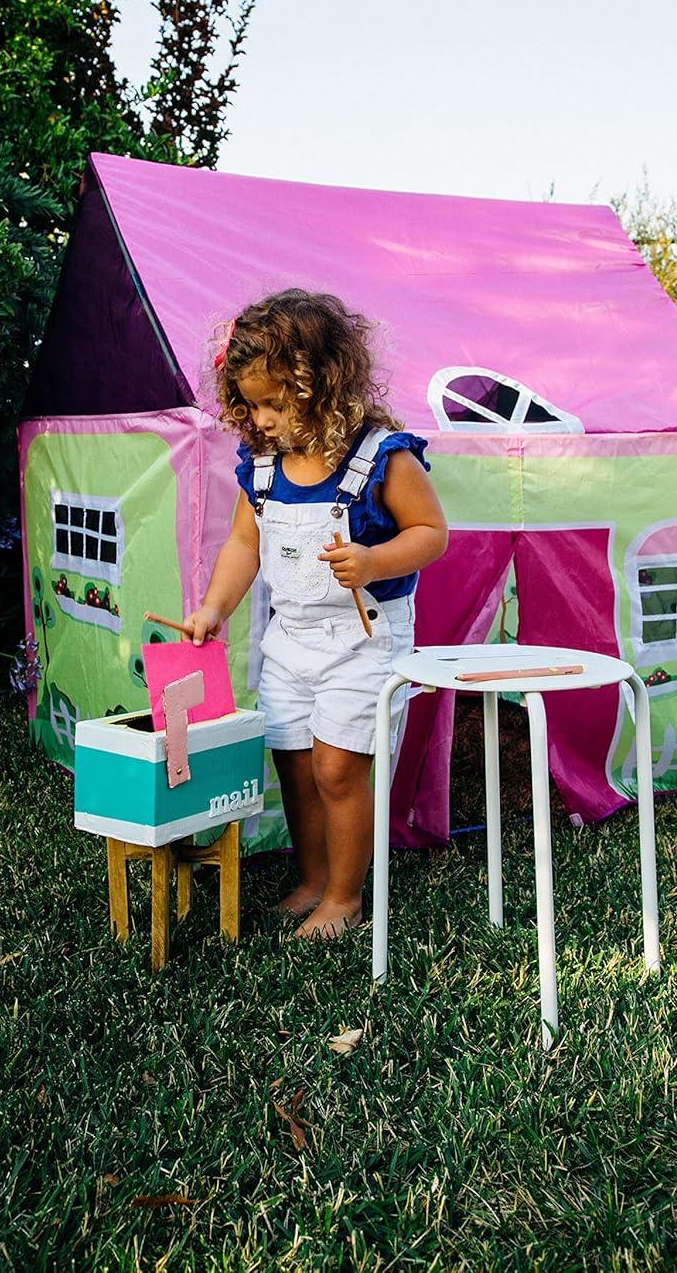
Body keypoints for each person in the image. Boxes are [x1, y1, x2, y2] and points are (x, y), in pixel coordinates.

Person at [182, 289, 448, 939]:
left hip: (363, 643)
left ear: (321, 385)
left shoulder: (383, 457)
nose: (262, 418)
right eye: (251, 404)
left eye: (276, 402)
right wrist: (215, 606)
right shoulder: (263, 469)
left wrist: (375, 560)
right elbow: (246, 544)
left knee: (337, 769)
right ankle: (311, 878)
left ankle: (345, 897)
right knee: (295, 766)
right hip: (291, 642)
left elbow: (431, 533)